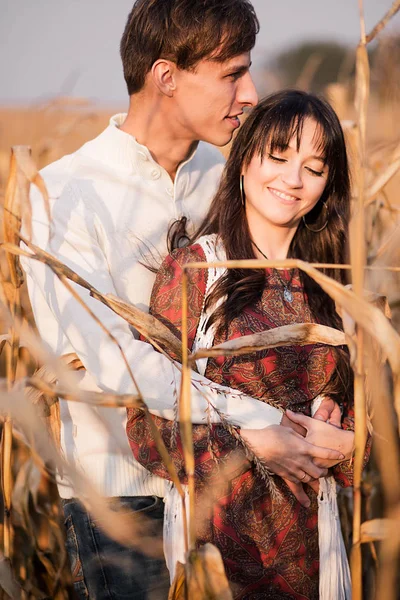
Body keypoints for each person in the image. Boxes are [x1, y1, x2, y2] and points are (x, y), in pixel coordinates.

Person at [22, 0, 342, 597]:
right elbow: (113, 364)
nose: (249, 93)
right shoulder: (63, 195)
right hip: (123, 498)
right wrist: (258, 421)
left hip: (237, 496)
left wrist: (322, 397)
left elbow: (285, 307)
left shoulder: (227, 181)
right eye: (231, 74)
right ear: (166, 77)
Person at [126, 90, 371, 599]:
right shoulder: (197, 271)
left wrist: (348, 447)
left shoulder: (334, 291)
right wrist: (252, 442)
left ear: (328, 185)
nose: (293, 179)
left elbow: (368, 435)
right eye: (278, 157)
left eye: (315, 167)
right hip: (216, 550)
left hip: (311, 554)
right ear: (243, 161)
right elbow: (146, 425)